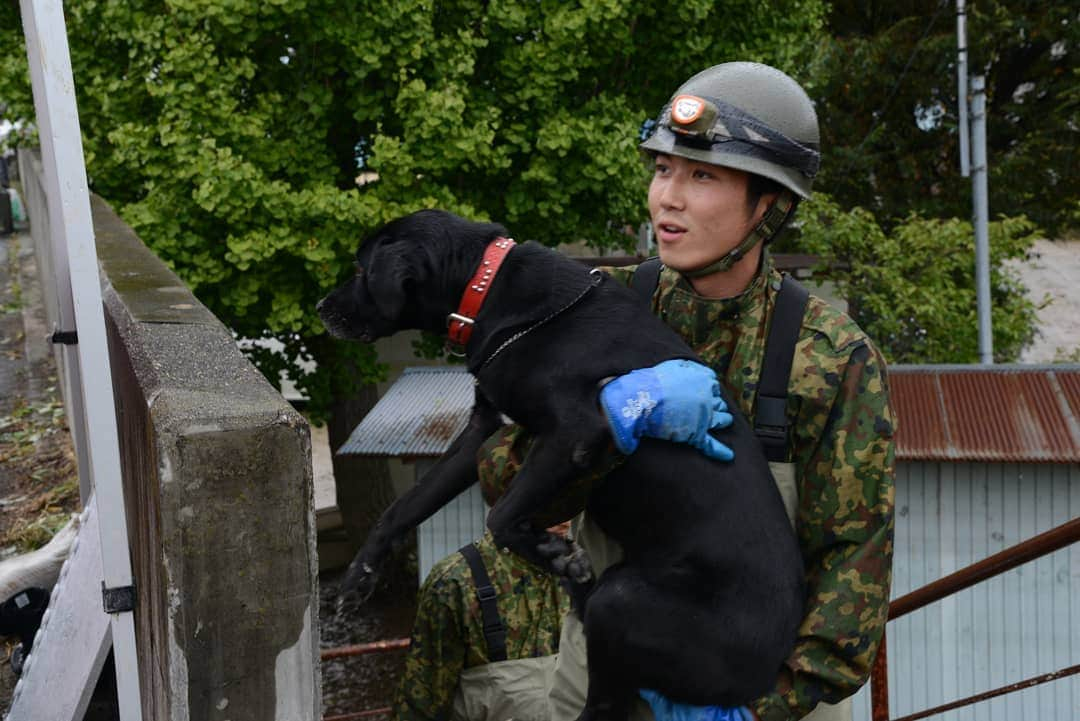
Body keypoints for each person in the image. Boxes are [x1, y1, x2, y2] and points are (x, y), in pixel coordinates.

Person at [476, 62, 896, 721]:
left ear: (770, 205)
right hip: (602, 682)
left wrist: (760, 708)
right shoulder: (598, 314)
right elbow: (505, 482)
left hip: (755, 694)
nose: (667, 196)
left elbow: (853, 568)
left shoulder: (827, 356)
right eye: (663, 169)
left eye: (702, 175)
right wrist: (603, 425)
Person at [391, 471, 572, 721]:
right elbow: (420, 707)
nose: (566, 514)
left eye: (573, 496)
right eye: (551, 496)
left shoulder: (591, 570)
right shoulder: (457, 582)